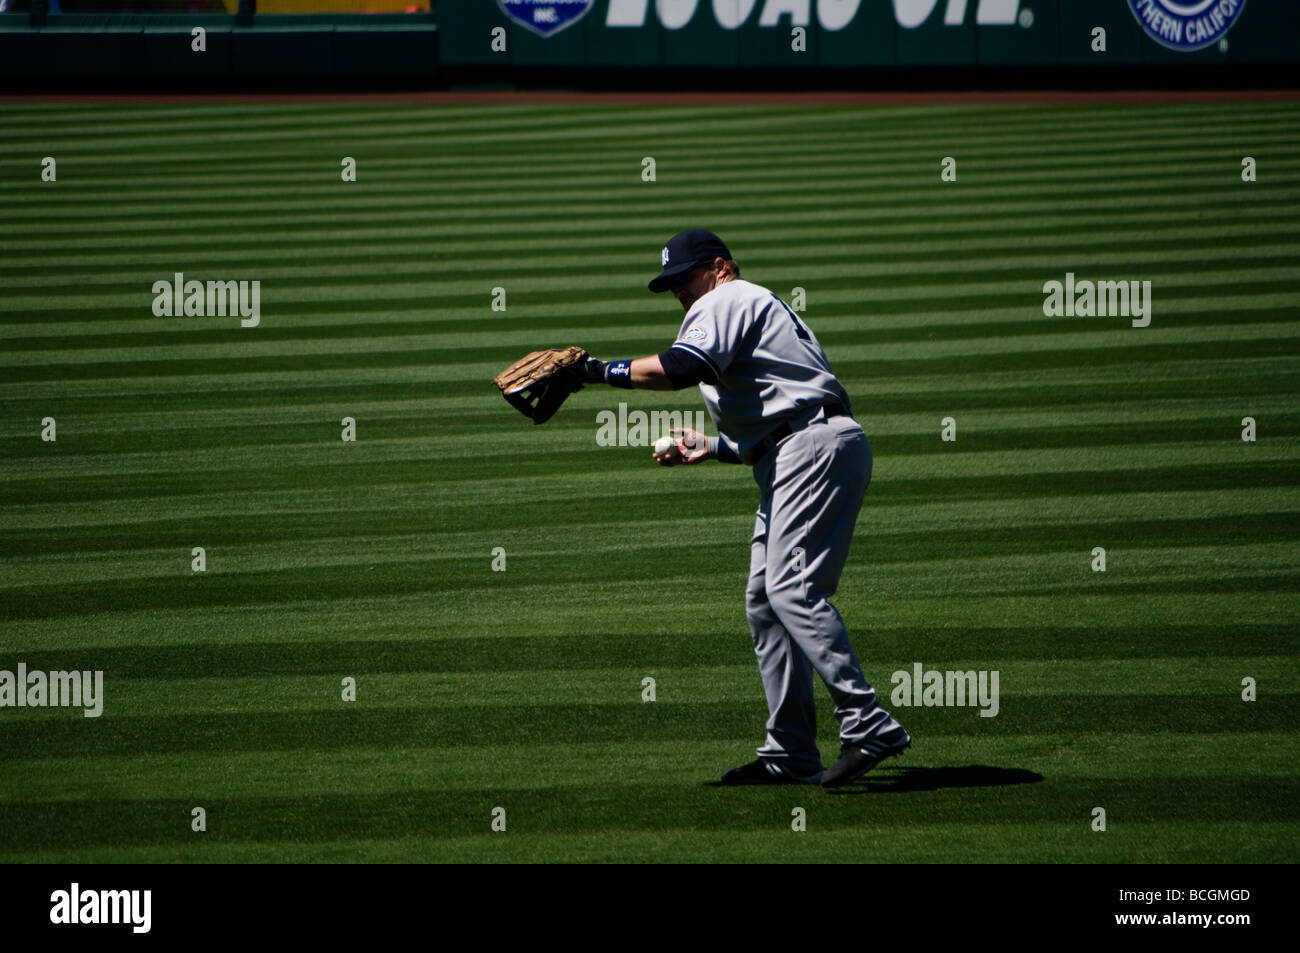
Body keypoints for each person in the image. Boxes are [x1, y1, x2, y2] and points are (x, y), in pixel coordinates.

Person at [572, 229, 910, 787]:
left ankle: (867, 721)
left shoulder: (728, 299)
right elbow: (771, 416)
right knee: (765, 600)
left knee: (792, 590)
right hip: (798, 448)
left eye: (684, 277)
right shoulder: (738, 308)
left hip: (813, 446)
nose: (679, 290)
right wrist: (711, 447)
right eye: (670, 284)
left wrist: (594, 370)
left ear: (720, 267)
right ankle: (791, 752)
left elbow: (681, 369)